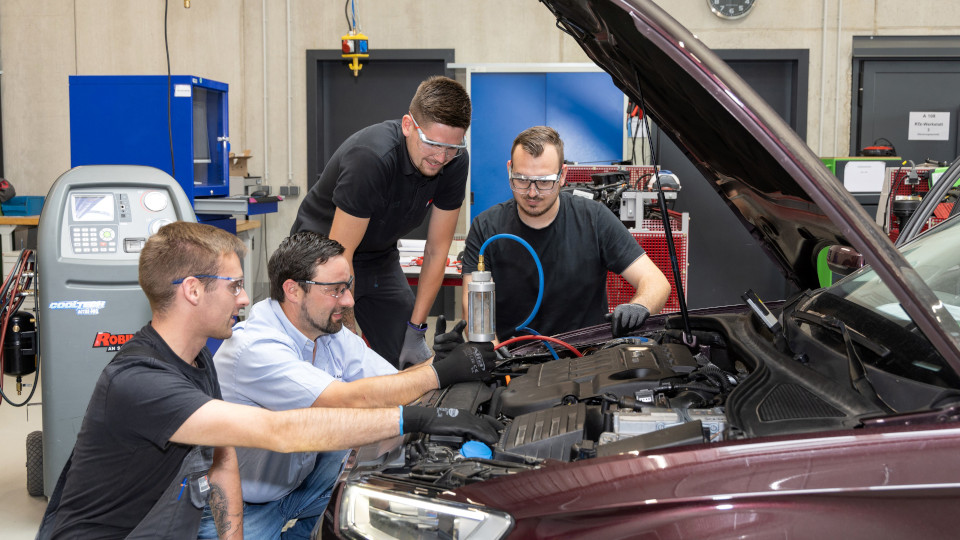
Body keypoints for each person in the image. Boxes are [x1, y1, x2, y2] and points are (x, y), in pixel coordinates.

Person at [35, 221, 500, 540]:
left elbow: (223, 458)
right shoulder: (141, 381)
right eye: (234, 286)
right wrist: (416, 417)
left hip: (216, 506)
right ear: (193, 291)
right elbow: (281, 430)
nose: (243, 299)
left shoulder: (195, 360)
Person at [196, 231, 497, 539]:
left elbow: (387, 385)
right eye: (336, 290)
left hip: (303, 482)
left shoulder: (328, 330)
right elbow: (348, 399)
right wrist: (440, 374)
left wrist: (434, 363)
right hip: (244, 507)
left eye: (348, 287)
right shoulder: (255, 348)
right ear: (293, 290)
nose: (349, 301)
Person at [290, 75, 471, 369]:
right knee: (328, 361)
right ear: (408, 125)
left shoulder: (454, 162)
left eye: (452, 147)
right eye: (433, 144)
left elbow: (438, 251)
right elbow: (340, 255)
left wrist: (416, 330)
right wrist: (348, 332)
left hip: (378, 256)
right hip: (320, 257)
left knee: (405, 356)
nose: (441, 157)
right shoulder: (372, 158)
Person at [436, 126, 671, 352]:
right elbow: (472, 306)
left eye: (544, 181)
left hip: (584, 359)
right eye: (522, 179)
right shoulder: (485, 227)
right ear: (509, 169)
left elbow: (657, 283)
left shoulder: (594, 219)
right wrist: (493, 355)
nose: (532, 192)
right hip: (512, 362)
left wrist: (640, 306)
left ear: (563, 175)